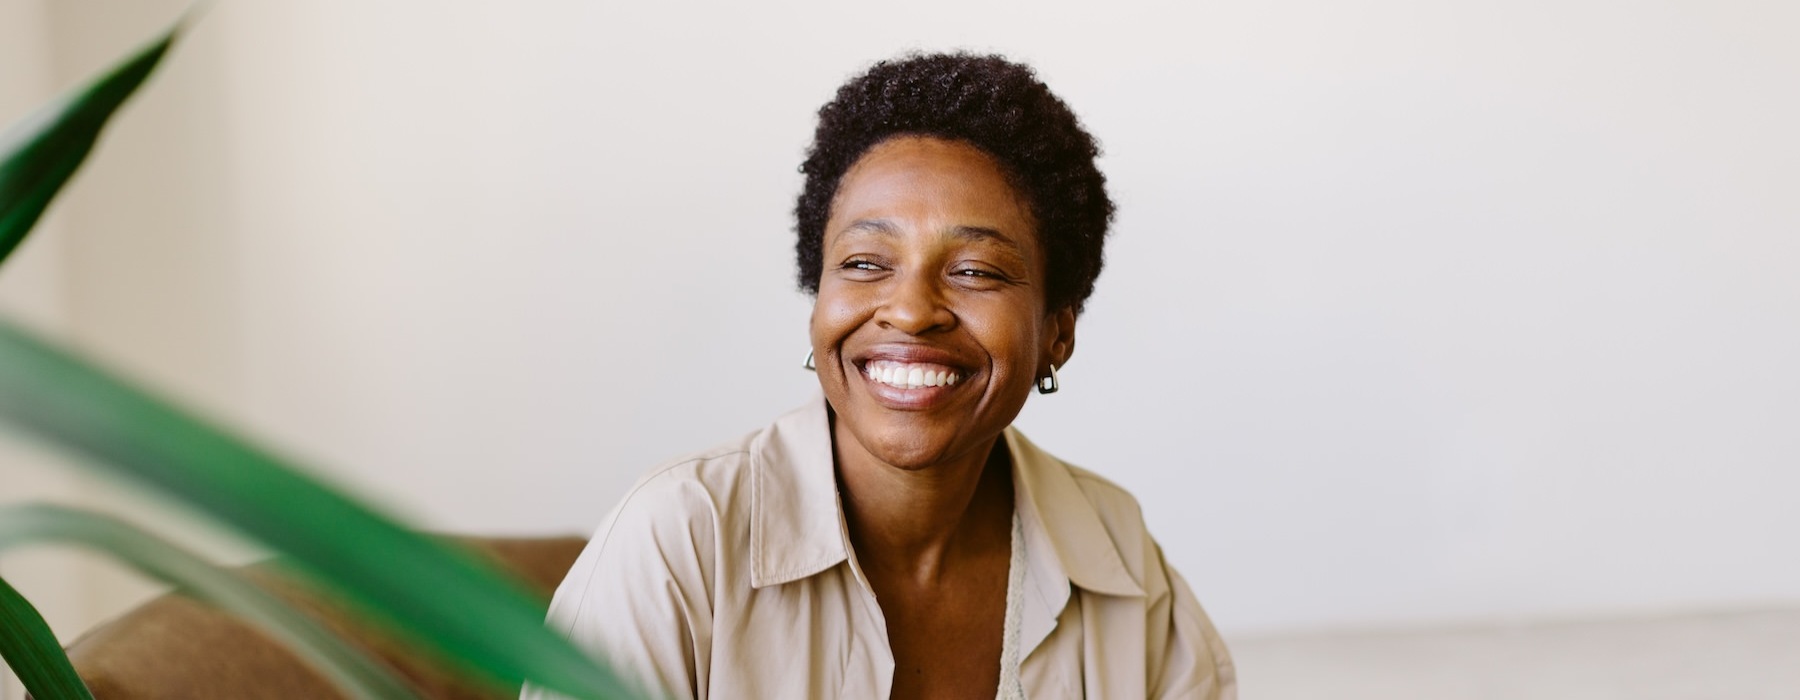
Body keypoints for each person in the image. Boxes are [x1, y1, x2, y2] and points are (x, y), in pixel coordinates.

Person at [527, 53, 1235, 700]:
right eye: (865, 263)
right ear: (820, 299)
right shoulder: (678, 541)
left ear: (1058, 331)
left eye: (975, 271)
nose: (910, 310)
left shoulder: (1115, 554)